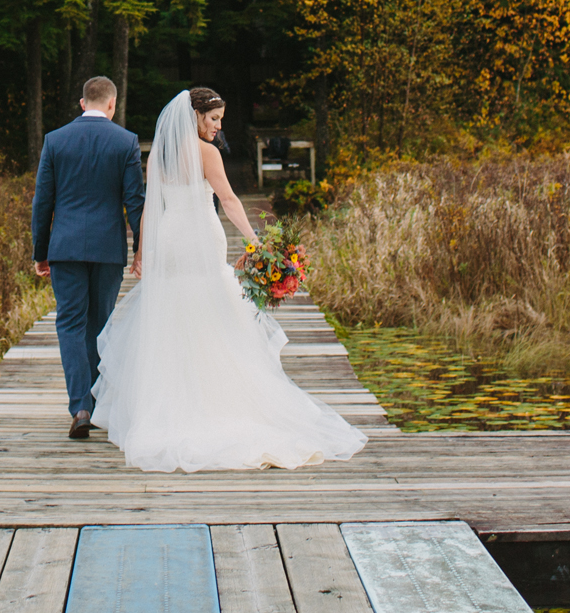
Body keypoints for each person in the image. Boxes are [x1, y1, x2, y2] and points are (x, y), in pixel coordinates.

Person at [88, 86, 368, 472]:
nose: (219, 127)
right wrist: (258, 245)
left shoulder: (160, 156)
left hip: (170, 238)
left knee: (172, 313)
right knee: (209, 309)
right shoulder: (207, 153)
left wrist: (141, 251)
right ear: (196, 117)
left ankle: (168, 407)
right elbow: (230, 200)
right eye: (214, 119)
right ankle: (215, 402)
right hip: (200, 235)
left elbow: (151, 207)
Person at [30, 75, 145, 440]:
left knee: (70, 324)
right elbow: (135, 203)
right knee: (101, 324)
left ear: (83, 103)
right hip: (108, 248)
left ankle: (80, 404)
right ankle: (97, 404)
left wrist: (40, 251)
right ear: (112, 105)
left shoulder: (55, 140)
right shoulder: (125, 142)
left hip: (64, 247)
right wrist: (140, 248)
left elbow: (42, 202)